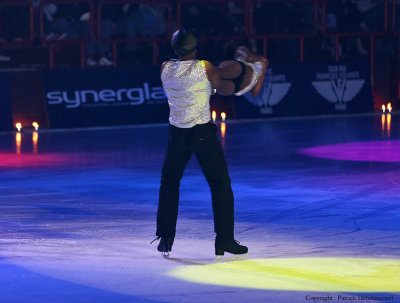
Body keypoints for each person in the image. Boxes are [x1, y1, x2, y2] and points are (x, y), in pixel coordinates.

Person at [152, 29, 248, 257]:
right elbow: (222, 87)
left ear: (175, 49)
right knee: (220, 184)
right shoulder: (204, 67)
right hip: (201, 134)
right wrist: (241, 74)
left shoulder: (165, 68)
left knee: (169, 183)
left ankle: (165, 238)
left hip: (177, 134)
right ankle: (224, 240)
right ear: (195, 48)